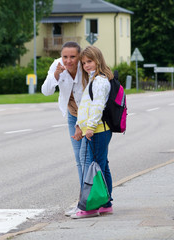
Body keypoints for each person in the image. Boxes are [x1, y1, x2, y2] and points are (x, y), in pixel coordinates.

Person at [41, 42, 89, 216]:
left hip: (90, 117)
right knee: (79, 158)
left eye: (73, 57)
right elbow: (46, 91)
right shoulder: (57, 65)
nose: (68, 61)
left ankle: (92, 200)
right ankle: (84, 200)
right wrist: (55, 75)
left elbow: (88, 100)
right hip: (72, 115)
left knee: (89, 158)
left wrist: (80, 125)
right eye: (65, 57)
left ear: (79, 56)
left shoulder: (86, 67)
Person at [70, 45, 114, 219]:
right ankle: (105, 203)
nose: (87, 65)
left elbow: (97, 107)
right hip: (94, 129)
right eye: (84, 62)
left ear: (98, 60)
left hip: (97, 130)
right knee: (102, 166)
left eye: (90, 61)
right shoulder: (93, 79)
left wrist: (89, 127)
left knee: (92, 166)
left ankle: (89, 207)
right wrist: (80, 125)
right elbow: (86, 106)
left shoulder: (100, 81)